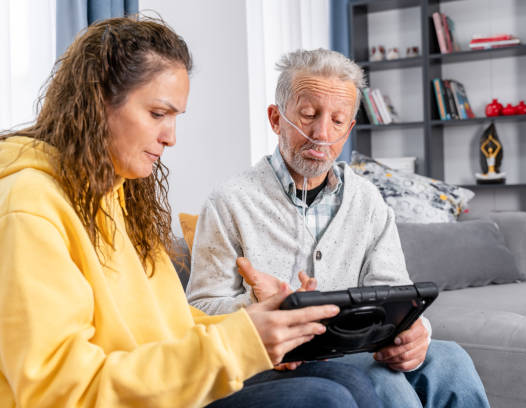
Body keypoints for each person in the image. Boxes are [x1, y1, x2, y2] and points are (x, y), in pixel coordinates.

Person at [0, 18, 384, 408]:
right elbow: (52, 391)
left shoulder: (119, 196)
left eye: (175, 117)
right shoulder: (28, 208)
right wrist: (240, 342)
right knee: (326, 399)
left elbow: (172, 326)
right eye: (157, 114)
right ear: (97, 102)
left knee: (353, 383)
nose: (171, 137)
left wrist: (262, 325)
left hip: (164, 390)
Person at [187, 48, 491, 408]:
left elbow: (393, 292)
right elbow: (200, 311)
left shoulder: (367, 200)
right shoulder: (229, 201)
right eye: (308, 115)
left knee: (452, 360)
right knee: (384, 384)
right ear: (275, 118)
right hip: (278, 360)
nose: (321, 134)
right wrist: (257, 306)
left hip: (357, 348)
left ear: (349, 129)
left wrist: (414, 333)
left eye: (337, 121)